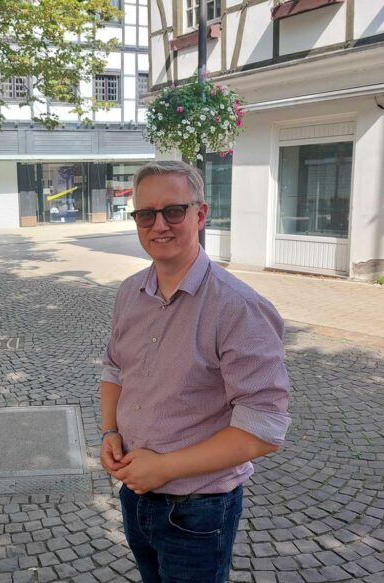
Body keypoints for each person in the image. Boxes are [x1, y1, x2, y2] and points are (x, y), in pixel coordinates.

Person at [100, 161, 291, 583]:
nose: (159, 225)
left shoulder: (238, 307)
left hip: (198, 507)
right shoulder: (130, 292)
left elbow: (264, 428)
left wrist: (165, 467)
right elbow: (114, 368)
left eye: (173, 211)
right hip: (135, 490)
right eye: (145, 214)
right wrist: (109, 432)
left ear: (200, 214)